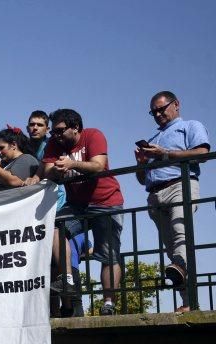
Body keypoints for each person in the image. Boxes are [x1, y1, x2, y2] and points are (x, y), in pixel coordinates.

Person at [39, 109, 124, 315]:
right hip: (76, 204)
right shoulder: (54, 143)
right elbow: (46, 171)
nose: (56, 136)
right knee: (55, 227)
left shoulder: (93, 135)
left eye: (60, 131)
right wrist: (56, 170)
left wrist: (72, 163)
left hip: (106, 201)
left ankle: (108, 303)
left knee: (108, 254)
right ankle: (67, 280)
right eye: (54, 132)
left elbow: (99, 166)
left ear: (75, 127)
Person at [135, 91, 210, 313]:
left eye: (162, 108)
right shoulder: (153, 140)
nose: (158, 114)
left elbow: (203, 153)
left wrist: (165, 154)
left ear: (176, 104)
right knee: (173, 254)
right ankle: (188, 302)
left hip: (180, 183)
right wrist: (141, 163)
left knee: (181, 231)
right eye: (154, 112)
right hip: (155, 194)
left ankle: (190, 298)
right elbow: (142, 179)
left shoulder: (189, 126)